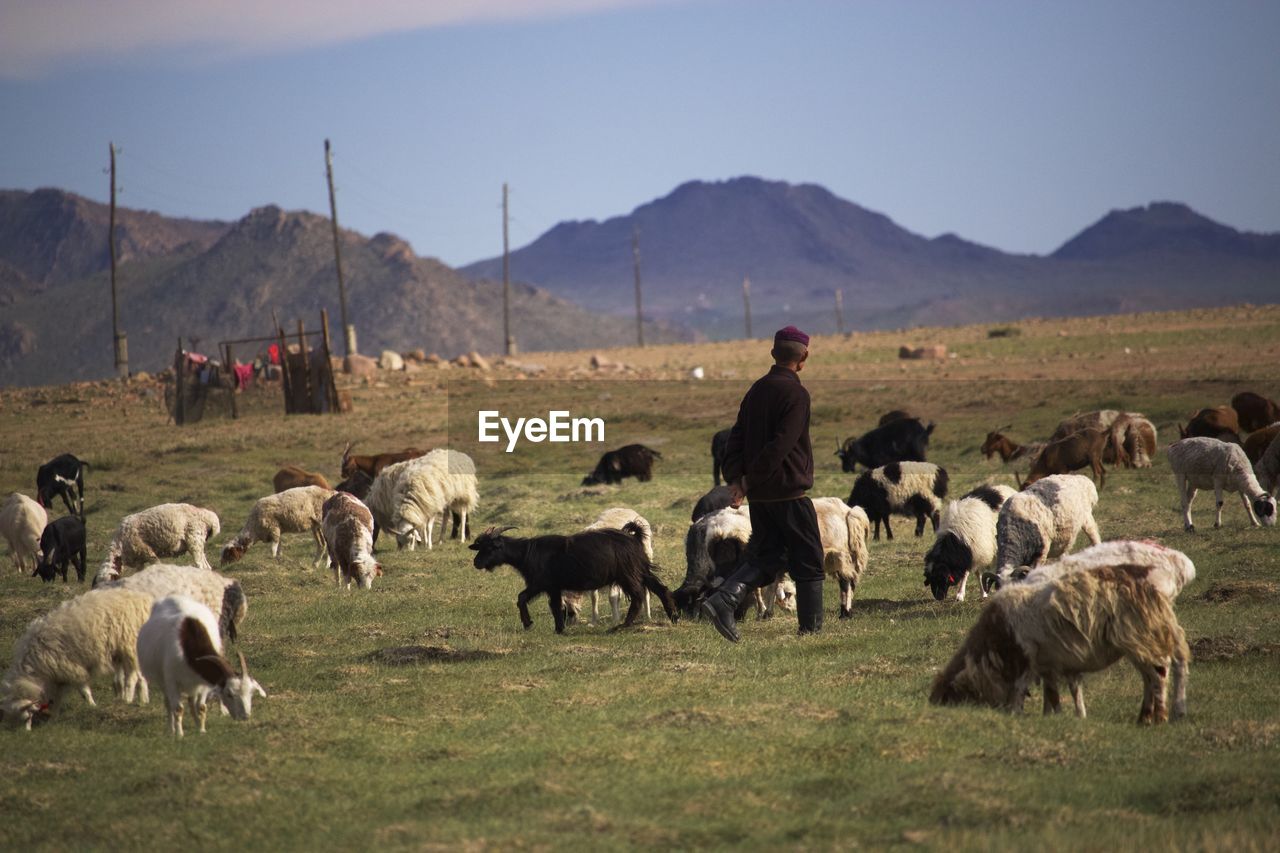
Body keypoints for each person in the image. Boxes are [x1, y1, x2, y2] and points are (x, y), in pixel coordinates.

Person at [701, 325, 825, 641]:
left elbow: (736, 438)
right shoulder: (797, 394)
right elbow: (781, 446)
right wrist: (746, 482)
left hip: (761, 496)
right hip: (788, 493)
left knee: (769, 555)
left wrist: (738, 479)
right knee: (809, 558)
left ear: (772, 353)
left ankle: (725, 598)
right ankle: (811, 632)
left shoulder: (756, 390)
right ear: (804, 357)